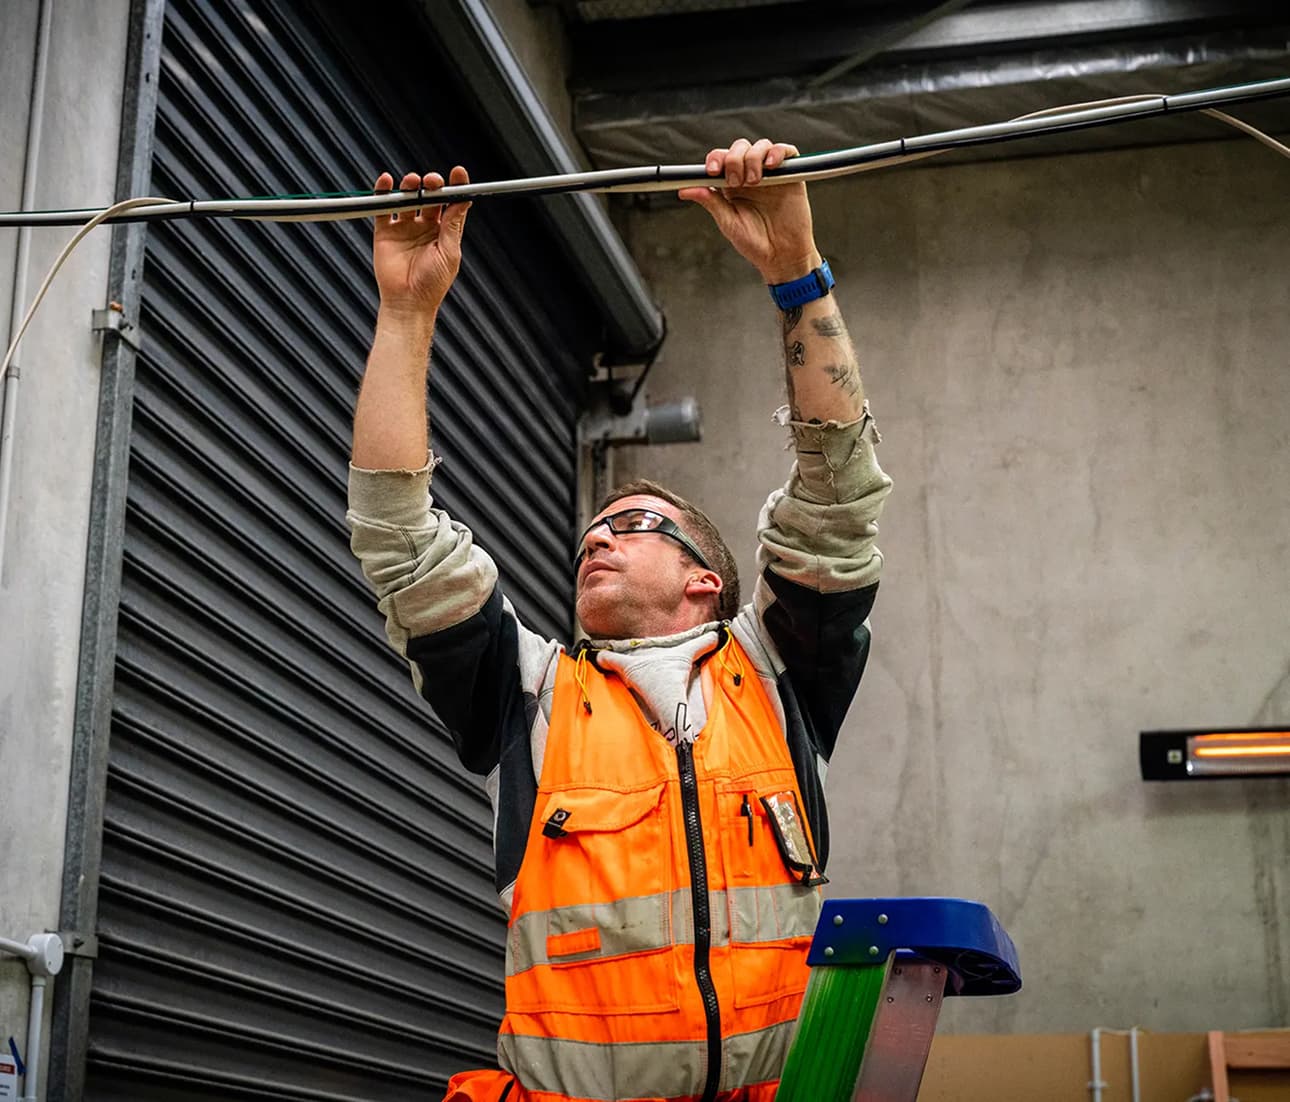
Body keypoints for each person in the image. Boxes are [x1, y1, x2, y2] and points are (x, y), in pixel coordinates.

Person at [347, 139, 892, 1102]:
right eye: (590, 534)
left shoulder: (778, 678)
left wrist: (795, 273)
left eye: (634, 526)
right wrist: (404, 311)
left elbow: (839, 506)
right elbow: (400, 539)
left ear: (706, 583)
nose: (596, 542)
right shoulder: (534, 699)